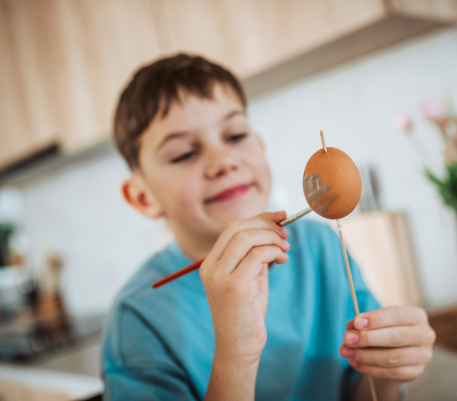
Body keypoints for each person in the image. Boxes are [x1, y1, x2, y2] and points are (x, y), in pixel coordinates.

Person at [101, 53, 435, 401]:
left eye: (235, 135)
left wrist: (390, 372)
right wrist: (236, 352)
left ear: (260, 145)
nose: (224, 161)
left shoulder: (319, 247)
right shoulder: (138, 319)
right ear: (142, 198)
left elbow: (364, 389)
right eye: (184, 153)